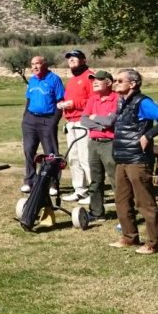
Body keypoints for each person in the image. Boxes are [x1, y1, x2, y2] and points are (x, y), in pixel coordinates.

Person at [109, 68, 158, 255]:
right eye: (115, 80)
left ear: (133, 84)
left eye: (120, 81)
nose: (115, 83)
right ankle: (129, 237)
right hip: (122, 159)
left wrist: (148, 135)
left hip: (138, 159)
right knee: (121, 200)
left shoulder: (142, 102)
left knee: (144, 203)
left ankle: (153, 243)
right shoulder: (122, 102)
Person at [21, 55, 65, 194]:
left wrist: (54, 121)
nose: (34, 67)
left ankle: (53, 183)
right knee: (29, 150)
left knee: (51, 154)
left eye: (37, 63)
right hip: (30, 120)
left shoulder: (54, 79)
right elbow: (29, 100)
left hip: (48, 120)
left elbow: (60, 102)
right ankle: (30, 181)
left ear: (44, 64)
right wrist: (25, 117)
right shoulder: (32, 80)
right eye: (32, 64)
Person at [80, 70, 118, 222]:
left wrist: (94, 117)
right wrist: (100, 127)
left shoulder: (117, 99)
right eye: (93, 80)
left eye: (99, 79)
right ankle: (97, 213)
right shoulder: (93, 99)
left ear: (108, 82)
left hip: (110, 143)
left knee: (115, 178)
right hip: (94, 143)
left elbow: (110, 121)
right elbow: (84, 120)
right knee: (95, 179)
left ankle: (124, 213)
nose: (94, 82)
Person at [59, 49, 94, 202]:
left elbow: (94, 101)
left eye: (75, 57)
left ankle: (94, 192)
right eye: (69, 58)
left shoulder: (89, 77)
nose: (71, 60)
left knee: (85, 157)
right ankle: (80, 189)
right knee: (73, 157)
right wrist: (64, 106)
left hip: (83, 121)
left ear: (84, 60)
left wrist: (73, 104)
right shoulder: (72, 80)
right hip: (71, 121)